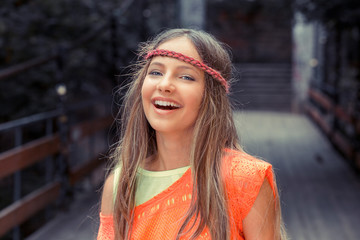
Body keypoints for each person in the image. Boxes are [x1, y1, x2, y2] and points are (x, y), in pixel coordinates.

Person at [97, 28, 286, 240]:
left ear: (210, 97)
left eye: (186, 77)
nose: (165, 85)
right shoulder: (121, 184)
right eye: (156, 72)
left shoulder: (245, 179)